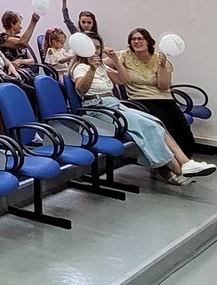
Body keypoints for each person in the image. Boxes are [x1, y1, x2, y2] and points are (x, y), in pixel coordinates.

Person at [67, 42, 185, 184]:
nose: (96, 51)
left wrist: (115, 60)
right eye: (93, 48)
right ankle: (178, 170)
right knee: (149, 126)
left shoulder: (101, 66)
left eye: (98, 48)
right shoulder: (80, 67)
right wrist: (92, 68)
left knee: (156, 122)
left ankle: (185, 164)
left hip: (114, 104)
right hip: (98, 109)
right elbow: (81, 89)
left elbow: (124, 80)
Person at [116, 29, 215, 178]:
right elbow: (102, 62)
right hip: (140, 100)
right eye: (133, 39)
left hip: (164, 98)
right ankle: (169, 167)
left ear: (148, 41)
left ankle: (186, 164)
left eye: (141, 39)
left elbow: (164, 86)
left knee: (183, 129)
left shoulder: (159, 58)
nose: (137, 42)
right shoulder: (124, 56)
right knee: (165, 125)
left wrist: (162, 67)